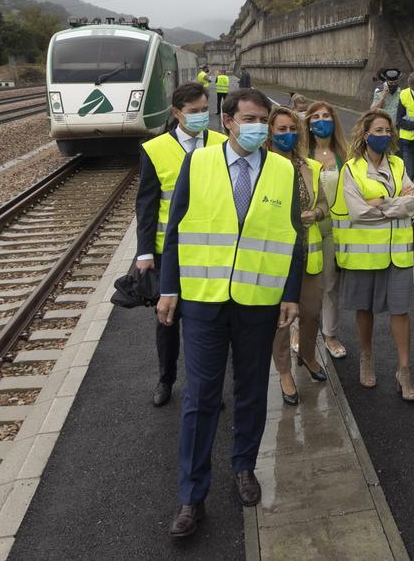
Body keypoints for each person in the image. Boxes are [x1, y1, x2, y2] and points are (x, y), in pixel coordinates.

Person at [156, 87, 304, 537]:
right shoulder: (198, 162)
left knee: (251, 390)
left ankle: (244, 466)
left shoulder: (282, 169)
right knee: (200, 397)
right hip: (204, 299)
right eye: (251, 119)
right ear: (228, 122)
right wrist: (168, 288)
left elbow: (293, 235)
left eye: (264, 119)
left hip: (259, 300)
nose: (259, 126)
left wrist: (290, 294)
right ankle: (191, 496)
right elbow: (177, 227)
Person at [135, 83, 226, 407]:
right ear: (176, 113)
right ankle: (166, 379)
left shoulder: (222, 144)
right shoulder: (155, 149)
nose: (201, 117)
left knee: (211, 321)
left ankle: (209, 386)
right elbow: (146, 205)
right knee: (168, 319)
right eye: (194, 112)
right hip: (167, 251)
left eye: (205, 110)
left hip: (213, 249)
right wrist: (144, 252)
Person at [330, 111, 414, 401]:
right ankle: (366, 357)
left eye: (387, 130)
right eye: (378, 130)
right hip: (365, 255)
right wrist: (397, 202)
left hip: (398, 254)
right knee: (364, 309)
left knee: (400, 311)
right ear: (366, 134)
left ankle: (404, 370)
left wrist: (381, 202)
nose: (384, 134)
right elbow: (358, 212)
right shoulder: (351, 169)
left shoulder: (398, 163)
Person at [267, 106, 329, 405]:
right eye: (282, 129)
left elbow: (325, 205)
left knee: (312, 312)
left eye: (293, 129)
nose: (288, 134)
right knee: (282, 318)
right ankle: (284, 371)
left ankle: (306, 355)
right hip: (276, 258)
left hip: (309, 254)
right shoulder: (262, 165)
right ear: (271, 132)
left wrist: (314, 213)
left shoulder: (309, 166)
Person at [303, 101, 350, 360]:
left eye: (326, 116)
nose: (321, 120)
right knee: (306, 285)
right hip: (306, 229)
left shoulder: (345, 153)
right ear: (308, 123)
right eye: (316, 116)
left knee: (330, 284)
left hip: (334, 228)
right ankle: (299, 332)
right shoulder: (300, 153)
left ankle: (330, 334)